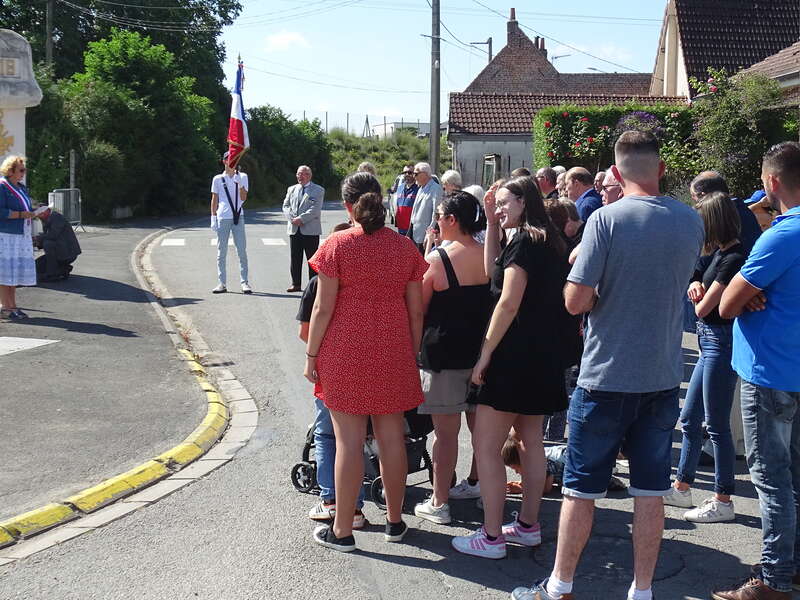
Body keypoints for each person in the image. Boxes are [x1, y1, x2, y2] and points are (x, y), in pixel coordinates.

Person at [512, 131, 703, 600]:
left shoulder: (606, 220)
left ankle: (560, 586)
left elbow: (575, 302)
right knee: (650, 491)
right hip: (662, 375)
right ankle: (642, 590)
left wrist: (585, 274)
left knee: (581, 490)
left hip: (606, 375)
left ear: (615, 172)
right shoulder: (690, 220)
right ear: (661, 168)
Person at [451, 176, 579, 560]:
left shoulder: (524, 241)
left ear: (524, 201)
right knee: (530, 442)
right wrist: (492, 222)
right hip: (542, 357)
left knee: (486, 447)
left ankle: (491, 537)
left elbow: (507, 301)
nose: (500, 207)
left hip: (513, 357)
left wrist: (485, 353)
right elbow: (493, 272)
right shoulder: (548, 239)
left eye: (505, 202)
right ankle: (527, 526)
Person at [304, 172, 429, 553]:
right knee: (392, 439)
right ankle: (395, 521)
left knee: (349, 443)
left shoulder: (337, 245)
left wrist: (311, 356)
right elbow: (416, 312)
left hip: (345, 353)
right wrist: (410, 352)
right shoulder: (405, 248)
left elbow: (322, 308)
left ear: (348, 205)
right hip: (393, 350)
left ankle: (343, 530)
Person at [713, 142, 800, 600]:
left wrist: (748, 295)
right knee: (794, 475)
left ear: (772, 182)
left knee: (771, 479)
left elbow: (727, 304)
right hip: (791, 369)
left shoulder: (783, 235)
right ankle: (791, 565)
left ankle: (774, 578)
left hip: (770, 372)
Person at [663, 191, 744, 523]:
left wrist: (696, 291)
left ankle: (723, 499)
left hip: (720, 344)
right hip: (709, 344)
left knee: (716, 425)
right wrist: (695, 284)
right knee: (690, 418)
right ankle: (682, 487)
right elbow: (695, 276)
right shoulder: (718, 254)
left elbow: (702, 308)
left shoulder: (734, 257)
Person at [414, 191, 491, 525]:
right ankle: (480, 487)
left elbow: (419, 308)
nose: (436, 222)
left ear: (452, 220)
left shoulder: (438, 259)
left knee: (445, 435)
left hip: (443, 355)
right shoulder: (489, 255)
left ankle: (439, 501)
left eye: (440, 216)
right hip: (482, 353)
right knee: (483, 432)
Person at [297, 222, 369, 530]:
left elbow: (305, 331)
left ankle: (331, 501)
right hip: (367, 363)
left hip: (332, 367)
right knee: (358, 439)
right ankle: (356, 505)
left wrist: (315, 355)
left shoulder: (318, 283)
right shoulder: (366, 279)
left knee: (327, 435)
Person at [0, 155, 36, 320]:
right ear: (10, 171)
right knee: (5, 272)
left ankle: (12, 306)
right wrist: (21, 214)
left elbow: (25, 207)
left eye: (24, 170)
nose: (23, 173)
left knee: (14, 271)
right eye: (21, 170)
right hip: (6, 235)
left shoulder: (21, 188)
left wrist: (34, 212)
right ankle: (5, 307)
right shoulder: (2, 186)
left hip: (21, 234)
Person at [690, 171, 761, 254]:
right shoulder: (741, 209)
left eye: (693, 196)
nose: (695, 204)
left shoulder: (720, 219)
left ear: (703, 196)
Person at [210, 152, 251, 294]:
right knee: (221, 252)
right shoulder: (217, 179)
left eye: (234, 158)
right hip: (223, 217)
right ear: (224, 161)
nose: (231, 161)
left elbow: (243, 197)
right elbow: (214, 199)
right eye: (229, 159)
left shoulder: (243, 176)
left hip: (238, 216)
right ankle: (221, 283)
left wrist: (239, 183)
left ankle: (244, 282)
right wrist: (213, 217)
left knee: (242, 251)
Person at [283, 165, 324, 293]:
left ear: (309, 176)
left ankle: (313, 286)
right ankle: (295, 284)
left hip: (310, 229)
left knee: (312, 259)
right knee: (295, 257)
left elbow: (315, 209)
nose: (300, 176)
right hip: (294, 228)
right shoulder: (291, 189)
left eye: (303, 174)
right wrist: (292, 218)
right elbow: (286, 205)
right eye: (298, 174)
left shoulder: (318, 190)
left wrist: (301, 219)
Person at [33, 205, 81, 281]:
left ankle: (52, 274)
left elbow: (53, 235)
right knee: (37, 266)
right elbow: (47, 236)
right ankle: (63, 269)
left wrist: (37, 238)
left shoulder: (57, 218)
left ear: (47, 211)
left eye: (40, 214)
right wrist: (37, 242)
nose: (39, 216)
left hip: (68, 253)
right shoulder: (46, 219)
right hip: (59, 250)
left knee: (48, 244)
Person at [408, 162, 443, 253]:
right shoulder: (420, 188)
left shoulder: (436, 189)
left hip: (425, 236)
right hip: (415, 234)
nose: (414, 176)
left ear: (425, 174)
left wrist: (430, 233)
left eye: (416, 174)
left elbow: (436, 213)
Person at [392, 165, 417, 235]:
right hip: (401, 227)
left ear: (415, 174)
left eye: (410, 172)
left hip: (413, 228)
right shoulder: (400, 187)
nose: (407, 174)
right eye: (404, 173)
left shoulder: (419, 188)